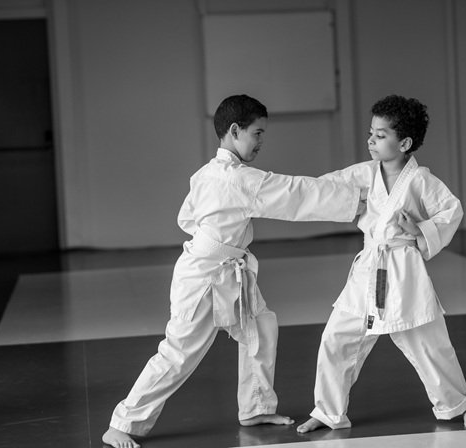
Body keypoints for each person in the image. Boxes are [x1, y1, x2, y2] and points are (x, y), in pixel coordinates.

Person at [102, 94, 365, 448]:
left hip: (221, 269)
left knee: (260, 327)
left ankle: (255, 408)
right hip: (205, 277)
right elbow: (296, 194)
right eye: (257, 133)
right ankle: (122, 422)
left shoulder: (205, 174)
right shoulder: (241, 180)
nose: (261, 142)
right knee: (179, 352)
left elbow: (186, 218)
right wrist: (355, 199)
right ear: (235, 130)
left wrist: (218, 239)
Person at [297, 95, 466, 434]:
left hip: (403, 270)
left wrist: (420, 230)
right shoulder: (364, 174)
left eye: (381, 135)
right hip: (369, 270)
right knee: (336, 338)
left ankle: (459, 403)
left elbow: (451, 211)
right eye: (371, 133)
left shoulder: (421, 180)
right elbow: (322, 189)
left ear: (405, 143)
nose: (371, 140)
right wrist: (275, 194)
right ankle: (328, 411)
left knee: (429, 342)